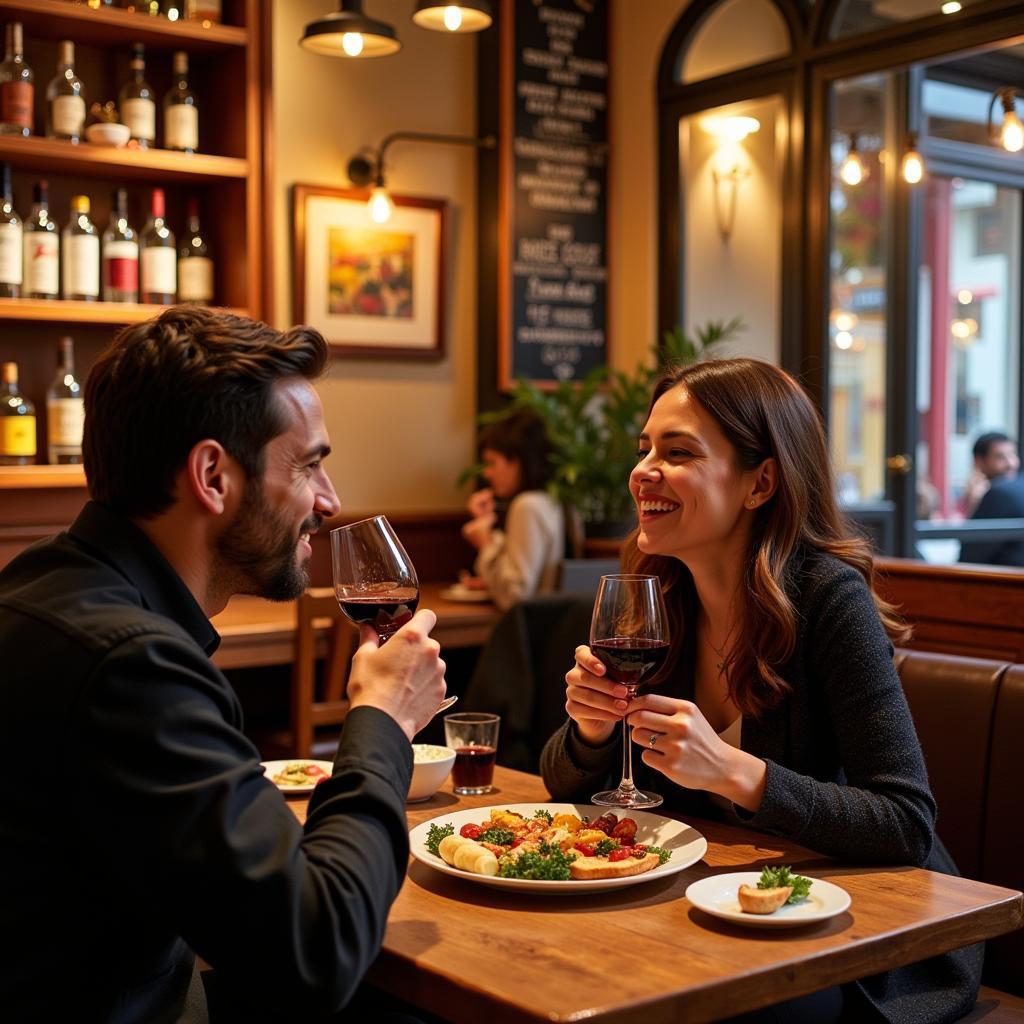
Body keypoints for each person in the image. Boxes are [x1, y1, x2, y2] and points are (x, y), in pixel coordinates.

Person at [0, 307, 448, 1023]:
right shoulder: (130, 667)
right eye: (309, 466)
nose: (328, 503)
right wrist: (384, 722)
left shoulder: (38, 589)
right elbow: (317, 955)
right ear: (213, 475)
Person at [541, 358, 982, 1024]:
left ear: (761, 483)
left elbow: (905, 822)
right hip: (711, 918)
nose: (642, 470)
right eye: (644, 450)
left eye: (677, 452)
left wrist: (737, 774)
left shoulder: (830, 601)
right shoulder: (658, 597)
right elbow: (563, 783)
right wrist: (593, 731)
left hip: (854, 946)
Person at [462, 409, 565, 611]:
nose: (487, 473)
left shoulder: (526, 505)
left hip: (532, 634)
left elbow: (516, 597)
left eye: (492, 462)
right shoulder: (550, 501)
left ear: (516, 462)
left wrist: (485, 543)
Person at [962, 431, 1019, 516]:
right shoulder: (976, 495)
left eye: (1013, 454)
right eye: (1001, 457)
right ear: (979, 461)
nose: (1011, 464)